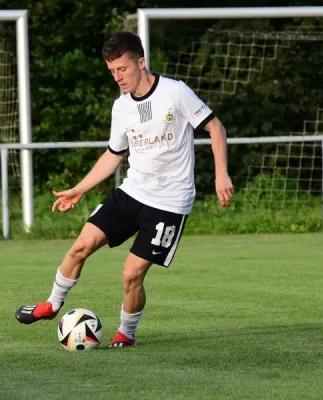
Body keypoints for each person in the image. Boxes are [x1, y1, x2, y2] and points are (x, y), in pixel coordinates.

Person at [15, 32, 234, 348]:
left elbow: (215, 127)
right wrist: (79, 189)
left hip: (170, 202)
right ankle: (51, 304)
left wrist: (221, 174)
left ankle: (126, 333)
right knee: (81, 245)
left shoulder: (175, 93)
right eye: (112, 71)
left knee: (132, 274)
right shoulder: (122, 108)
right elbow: (113, 154)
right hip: (132, 191)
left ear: (141, 63)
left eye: (123, 69)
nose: (118, 77)